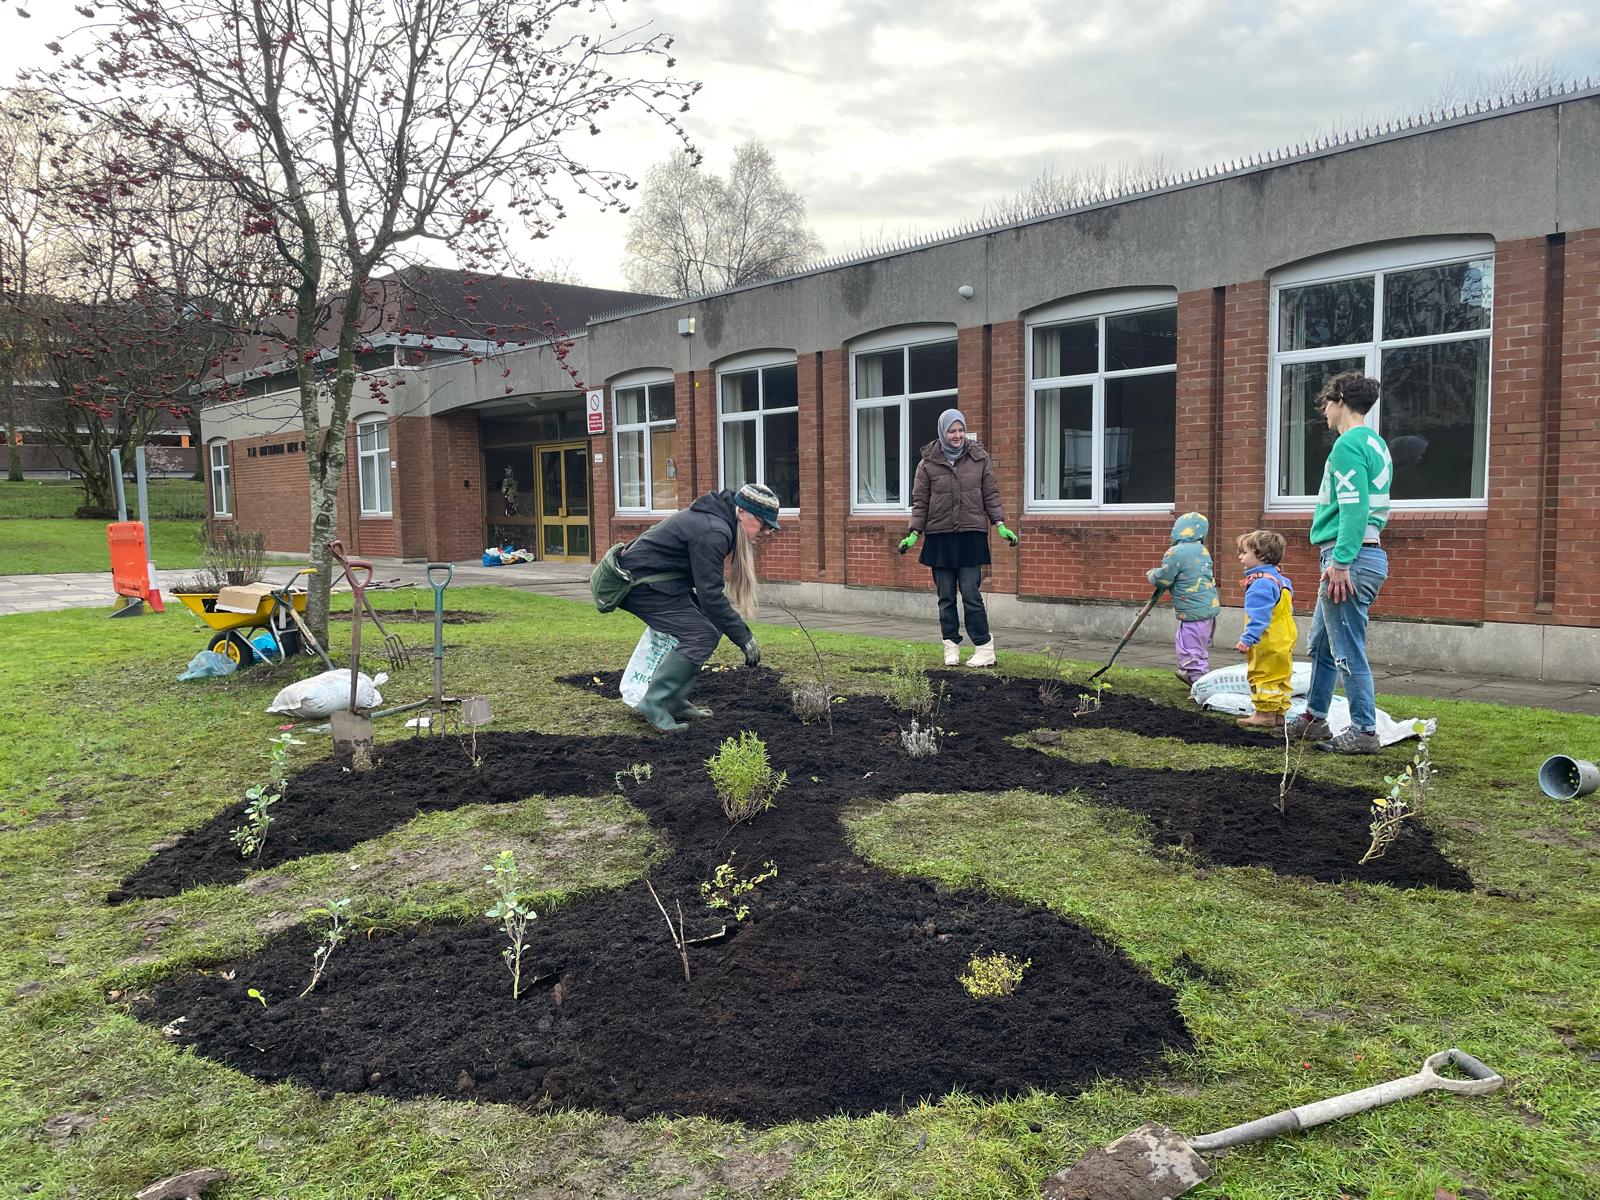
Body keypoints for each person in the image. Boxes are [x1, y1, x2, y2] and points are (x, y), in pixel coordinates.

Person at [1284, 370, 1392, 754]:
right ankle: (1314, 718)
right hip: (1362, 555)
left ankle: (1364, 731)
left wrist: (1342, 562)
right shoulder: (1376, 443)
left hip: (1349, 559)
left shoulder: (1348, 445)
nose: (1324, 412)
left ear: (1341, 400)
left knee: (1347, 648)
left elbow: (1354, 507)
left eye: (1327, 404)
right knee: (1322, 644)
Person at [615, 482, 781, 732]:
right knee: (700, 634)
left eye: (770, 528)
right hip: (637, 585)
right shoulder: (714, 531)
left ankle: (673, 701)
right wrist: (744, 637)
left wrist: (735, 630)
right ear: (742, 512)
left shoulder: (718, 524)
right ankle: (654, 703)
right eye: (764, 524)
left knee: (710, 626)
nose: (766, 532)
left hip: (656, 583)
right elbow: (710, 596)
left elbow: (709, 597)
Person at [897, 409, 1018, 666]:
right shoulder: (927, 464)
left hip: (971, 536)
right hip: (940, 538)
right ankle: (951, 647)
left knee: (971, 593)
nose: (957, 435)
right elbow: (921, 502)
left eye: (961, 430)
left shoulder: (979, 458)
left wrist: (1000, 524)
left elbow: (990, 494)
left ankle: (984, 648)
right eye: (952, 431)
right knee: (946, 597)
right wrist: (914, 533)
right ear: (943, 432)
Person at [1146, 511, 1220, 685]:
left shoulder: (1175, 552)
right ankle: (1190, 673)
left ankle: (1199, 685)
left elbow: (1165, 578)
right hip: (1208, 609)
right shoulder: (1202, 550)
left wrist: (1152, 574)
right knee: (1196, 647)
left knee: (1189, 648)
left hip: (1193, 611)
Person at [1233, 529, 1296, 729]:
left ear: (1261, 555)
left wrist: (1248, 638)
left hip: (1267, 639)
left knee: (1263, 674)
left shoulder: (1260, 584)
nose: (1240, 556)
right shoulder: (1282, 580)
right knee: (1281, 675)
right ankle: (1279, 714)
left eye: (1244, 552)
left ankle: (1264, 714)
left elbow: (1259, 616)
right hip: (1284, 636)